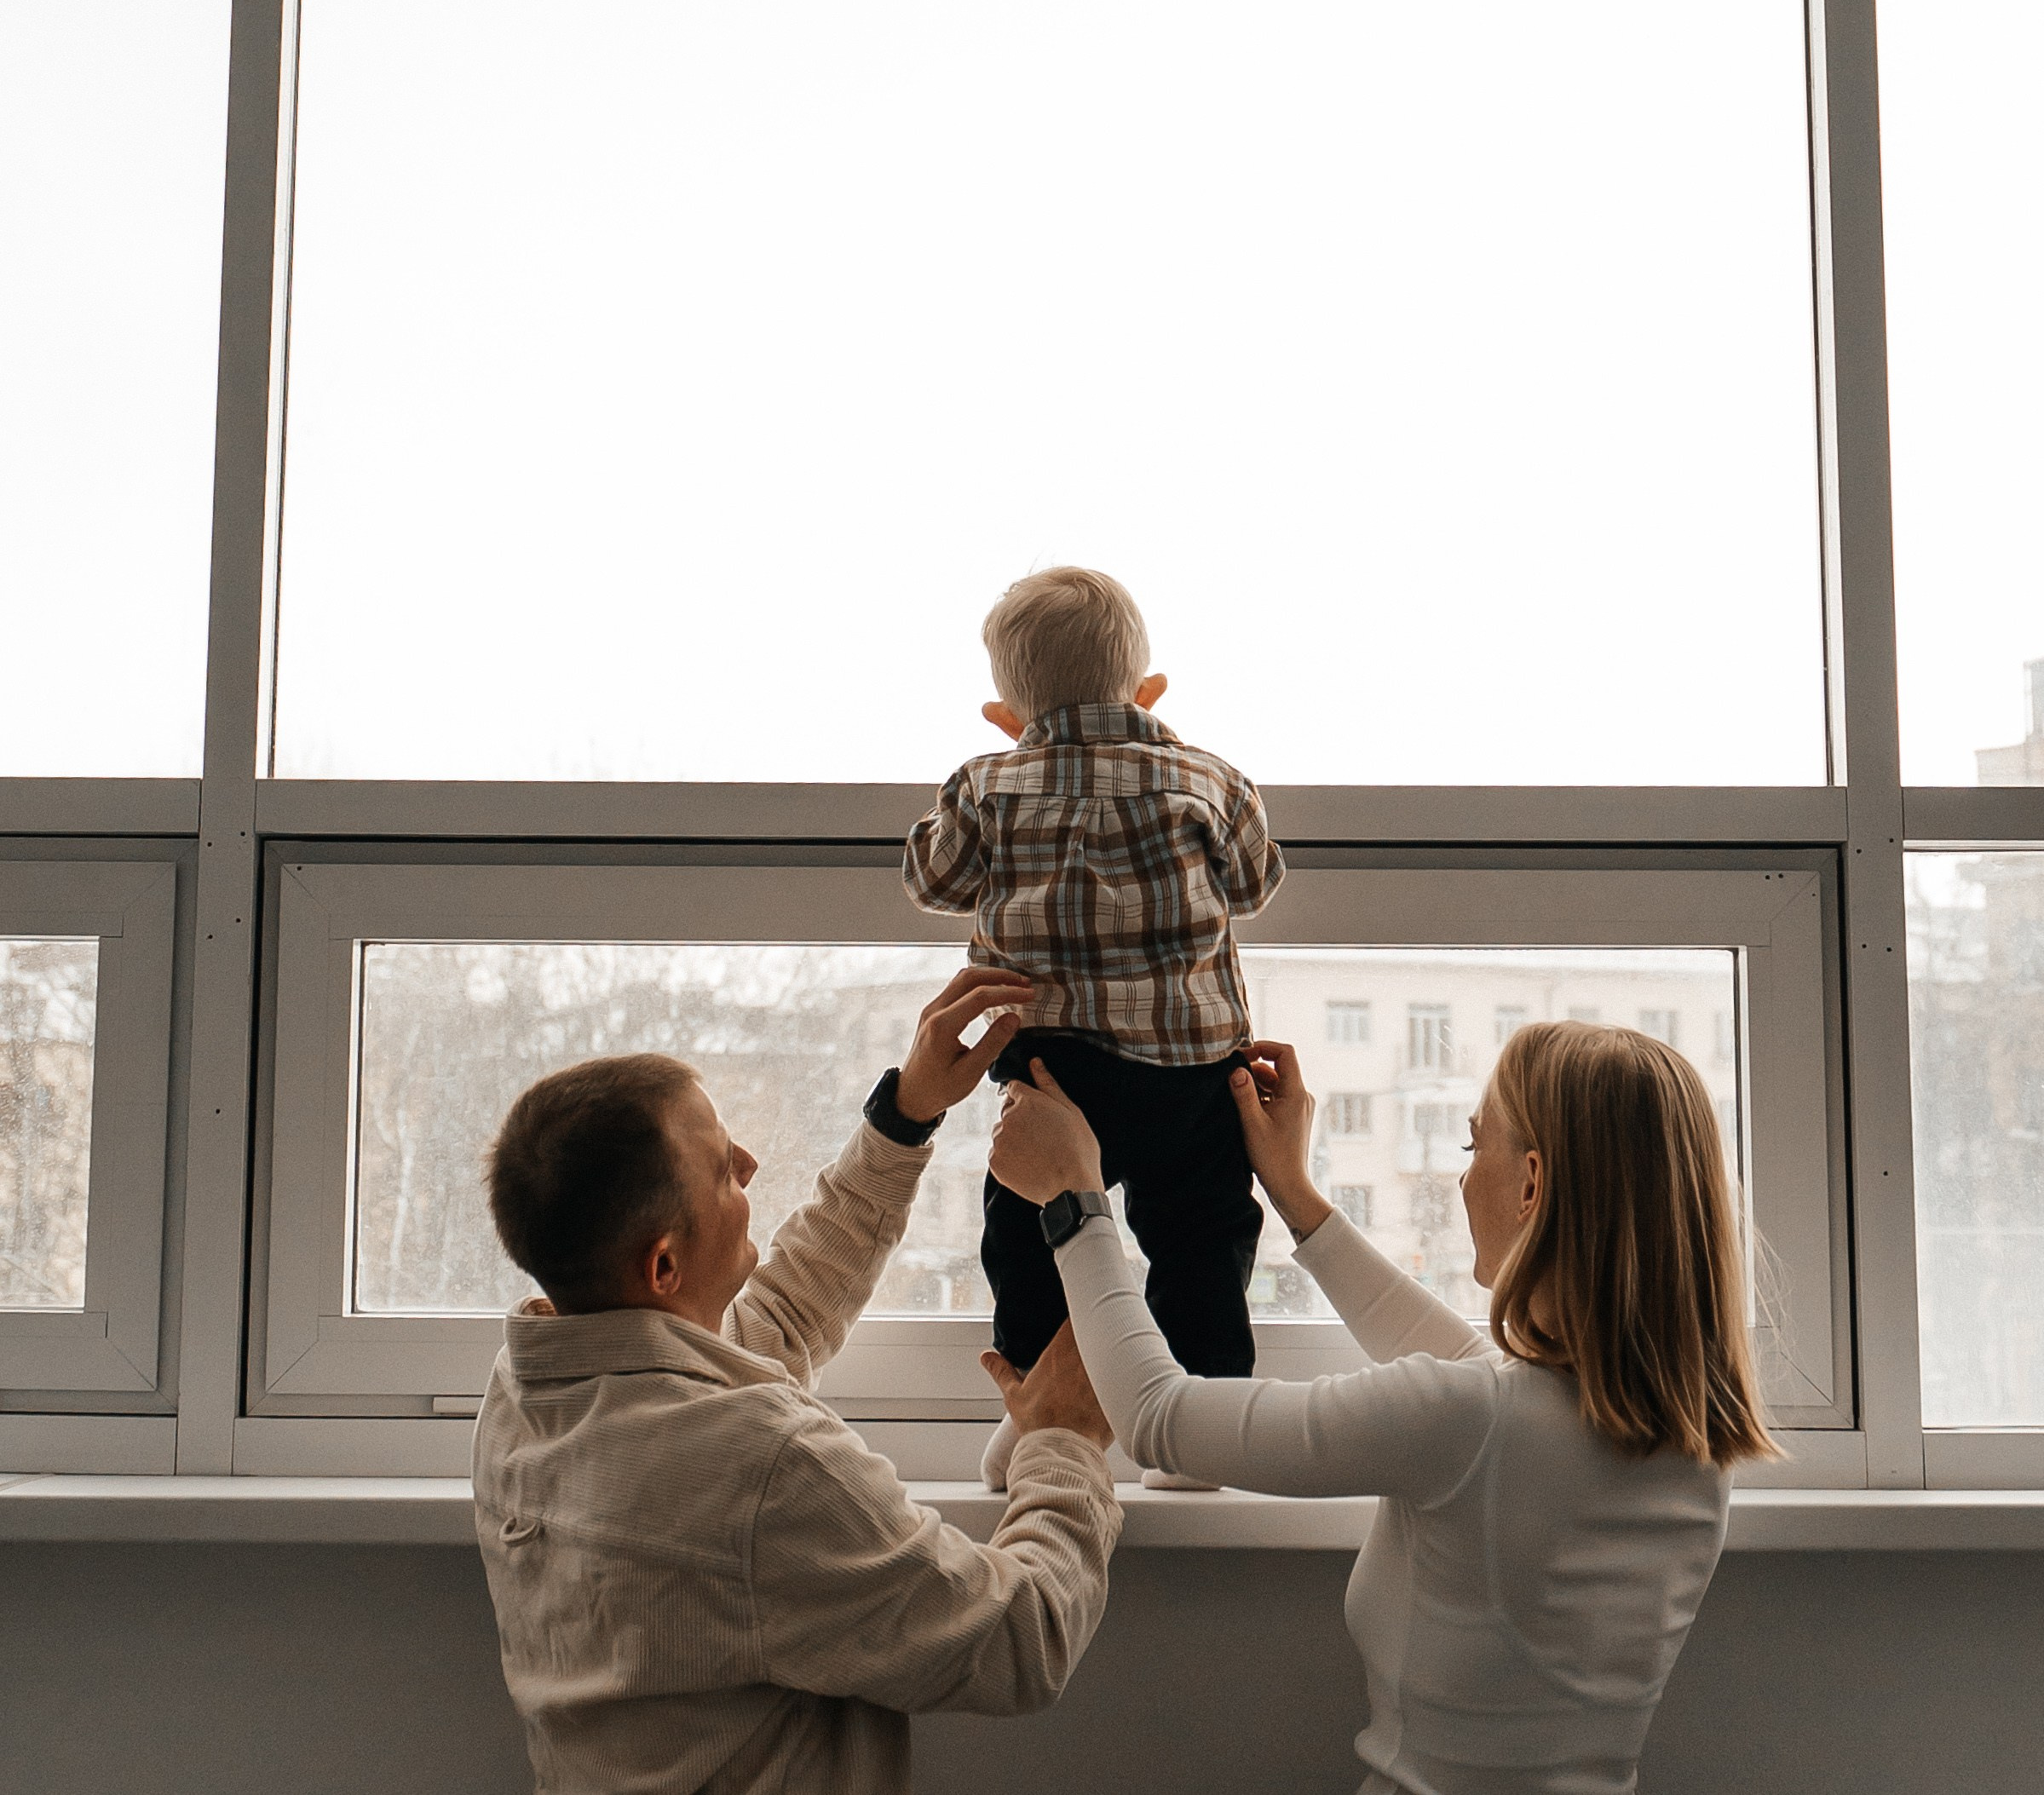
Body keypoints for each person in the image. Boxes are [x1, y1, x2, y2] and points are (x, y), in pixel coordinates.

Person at [992, 1016, 1780, 1795]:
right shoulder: (1692, 1438)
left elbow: (1158, 1419)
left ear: (1532, 1182)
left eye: (1475, 1146)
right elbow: (1454, 1363)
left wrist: (1076, 1203)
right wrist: (1294, 1194)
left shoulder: (1477, 1420)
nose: (1462, 1177)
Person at [472, 964, 1120, 1795]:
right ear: (662, 1263)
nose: (747, 1159)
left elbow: (771, 1319)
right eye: (717, 1167)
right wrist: (1061, 1444)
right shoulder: (759, 1463)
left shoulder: (530, 1392)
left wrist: (905, 1115)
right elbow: (1015, 1643)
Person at [902, 566, 1284, 1492]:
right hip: (1191, 1069)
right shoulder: (1211, 778)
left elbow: (932, 882)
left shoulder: (986, 784)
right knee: (1198, 1236)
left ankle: (1037, 1407)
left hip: (1053, 1068)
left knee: (1032, 1232)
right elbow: (1253, 884)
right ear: (1147, 693)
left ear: (1004, 713)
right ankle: (1203, 1425)